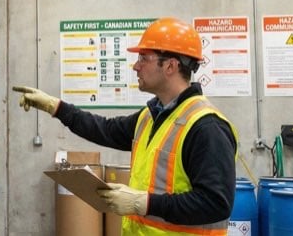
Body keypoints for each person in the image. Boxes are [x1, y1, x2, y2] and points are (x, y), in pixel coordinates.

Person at [13, 17, 238, 235]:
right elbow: (105, 130)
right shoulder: (151, 117)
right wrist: (56, 107)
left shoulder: (206, 127)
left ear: (170, 66)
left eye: (144, 58)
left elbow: (215, 203)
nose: (135, 66)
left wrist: (143, 203)